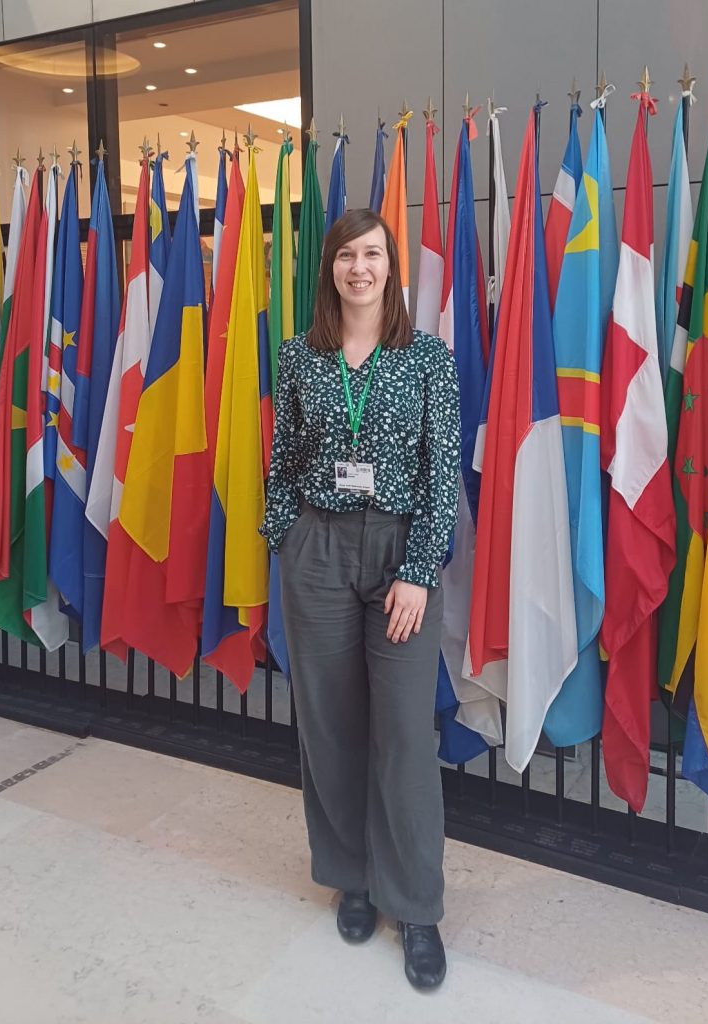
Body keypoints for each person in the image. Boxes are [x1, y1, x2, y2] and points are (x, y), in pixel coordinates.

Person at [259, 208, 460, 990]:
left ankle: (416, 906)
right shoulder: (299, 358)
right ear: (330, 270)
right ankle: (354, 877)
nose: (359, 268)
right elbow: (281, 461)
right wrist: (288, 534)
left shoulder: (426, 359)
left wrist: (416, 570)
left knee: (406, 738)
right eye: (346, 255)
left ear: (390, 266)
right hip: (318, 548)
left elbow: (443, 476)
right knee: (330, 727)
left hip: (398, 553)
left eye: (372, 254)